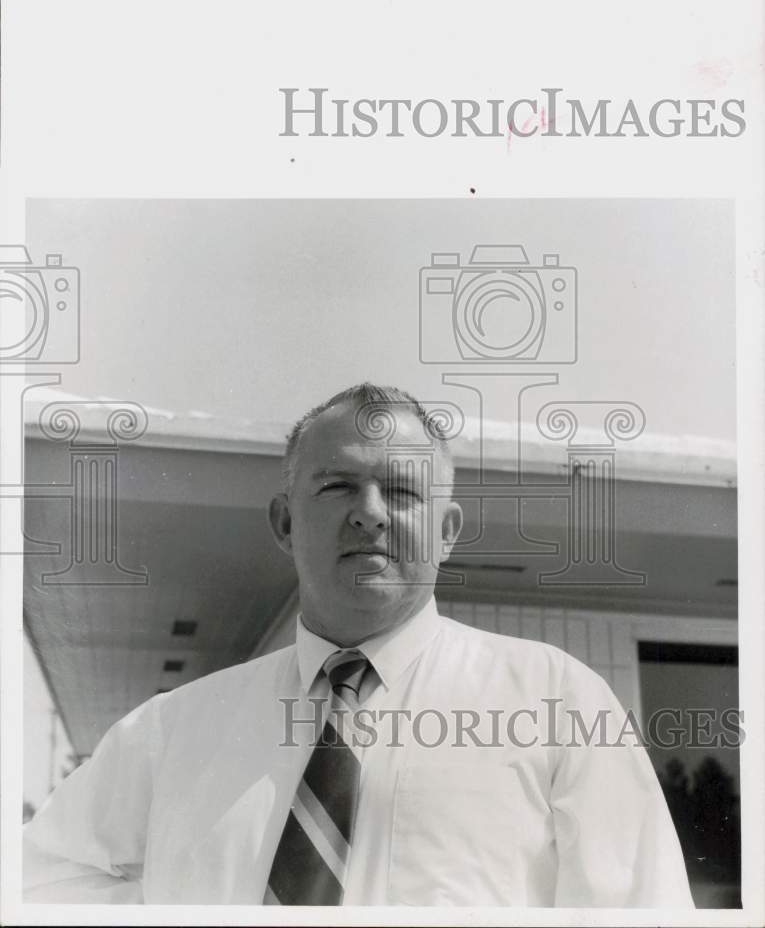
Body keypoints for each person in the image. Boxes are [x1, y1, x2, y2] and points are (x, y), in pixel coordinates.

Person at [23, 383, 694, 907]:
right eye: (338, 484)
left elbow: (642, 904)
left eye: (401, 490)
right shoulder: (169, 732)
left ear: (446, 531)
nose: (369, 511)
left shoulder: (557, 699)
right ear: (285, 522)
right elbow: (39, 881)